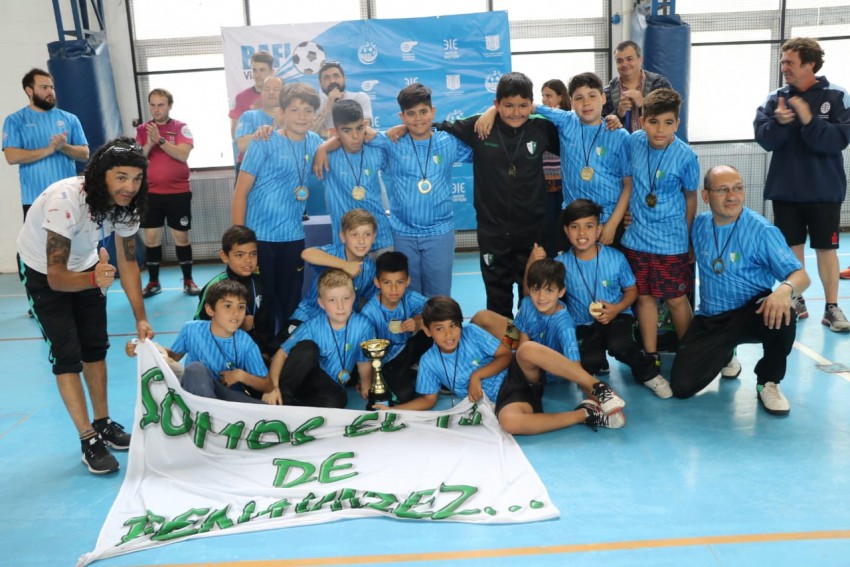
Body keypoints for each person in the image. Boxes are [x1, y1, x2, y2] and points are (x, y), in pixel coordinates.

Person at [15, 137, 153, 475]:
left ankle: (103, 422)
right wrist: (98, 279)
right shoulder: (66, 202)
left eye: (136, 179)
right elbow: (56, 278)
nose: (129, 187)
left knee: (95, 348)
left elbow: (129, 263)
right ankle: (87, 437)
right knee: (67, 354)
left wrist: (141, 318)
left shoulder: (125, 204)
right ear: (102, 175)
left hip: (89, 266)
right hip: (43, 271)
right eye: (121, 177)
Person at [670, 165, 810, 415]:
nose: (732, 196)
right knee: (682, 386)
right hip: (712, 317)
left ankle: (768, 381)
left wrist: (783, 290)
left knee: (784, 312)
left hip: (752, 312)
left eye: (737, 188)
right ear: (705, 196)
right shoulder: (700, 225)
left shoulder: (762, 231)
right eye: (722, 190)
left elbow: (801, 276)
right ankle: (726, 353)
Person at [317, 83, 472, 298]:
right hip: (402, 234)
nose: (418, 119)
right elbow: (358, 133)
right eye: (411, 114)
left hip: (439, 233)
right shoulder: (391, 142)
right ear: (402, 116)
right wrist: (323, 147)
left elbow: (483, 152)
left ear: (433, 112)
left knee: (439, 297)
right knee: (406, 296)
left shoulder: (448, 142)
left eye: (423, 112)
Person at [387, 296, 626, 433]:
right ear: (427, 331)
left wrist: (477, 376)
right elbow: (428, 400)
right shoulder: (429, 361)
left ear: (461, 324)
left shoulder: (472, 333)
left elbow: (505, 356)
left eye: (453, 325)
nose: (449, 334)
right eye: (440, 329)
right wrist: (392, 410)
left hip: (519, 374)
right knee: (509, 422)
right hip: (505, 399)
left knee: (526, 348)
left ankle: (598, 388)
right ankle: (585, 414)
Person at [436, 72, 559, 317]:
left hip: (532, 231)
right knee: (497, 298)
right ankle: (507, 349)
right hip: (492, 233)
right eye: (508, 106)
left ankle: (528, 350)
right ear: (496, 104)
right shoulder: (479, 126)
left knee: (534, 296)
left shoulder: (542, 128)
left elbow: (576, 129)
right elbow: (435, 128)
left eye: (523, 106)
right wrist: (398, 129)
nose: (516, 112)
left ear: (531, 104)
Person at [753, 37, 850, 332]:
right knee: (791, 249)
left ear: (809, 64)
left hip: (824, 190)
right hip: (786, 190)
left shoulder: (838, 96)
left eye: (789, 62)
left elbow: (839, 140)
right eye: (783, 62)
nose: (784, 68)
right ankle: (797, 299)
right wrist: (779, 123)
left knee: (826, 249)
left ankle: (832, 308)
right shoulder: (775, 98)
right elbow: (764, 138)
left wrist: (809, 121)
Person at [543, 199, 672, 398]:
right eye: (575, 227)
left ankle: (649, 374)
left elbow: (632, 291)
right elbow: (540, 295)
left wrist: (617, 308)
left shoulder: (616, 258)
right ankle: (596, 367)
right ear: (566, 231)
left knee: (620, 344)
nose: (582, 233)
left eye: (589, 226)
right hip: (584, 324)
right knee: (588, 362)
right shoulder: (560, 265)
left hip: (617, 316)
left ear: (598, 230)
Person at [232, 83, 323, 334]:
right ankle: (260, 355)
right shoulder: (264, 141)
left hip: (294, 238)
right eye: (294, 110)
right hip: (260, 238)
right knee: (262, 301)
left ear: (315, 114)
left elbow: (335, 144)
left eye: (307, 110)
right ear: (281, 112)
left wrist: (326, 147)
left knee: (290, 301)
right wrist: (239, 240)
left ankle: (285, 353)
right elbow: (240, 192)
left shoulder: (315, 141)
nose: (301, 116)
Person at [621, 88, 699, 369]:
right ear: (643, 121)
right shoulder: (633, 142)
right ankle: (650, 355)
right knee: (644, 297)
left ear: (677, 124)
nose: (660, 129)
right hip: (637, 239)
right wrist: (627, 212)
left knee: (676, 298)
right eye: (654, 122)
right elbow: (628, 183)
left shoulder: (686, 156)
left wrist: (688, 238)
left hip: (671, 241)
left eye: (668, 123)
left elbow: (691, 198)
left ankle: (692, 354)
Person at [534, 72, 632, 248]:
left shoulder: (620, 135)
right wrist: (492, 111)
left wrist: (612, 225)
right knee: (570, 272)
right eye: (579, 98)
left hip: (608, 221)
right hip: (573, 221)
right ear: (571, 102)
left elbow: (628, 184)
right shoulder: (566, 121)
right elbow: (528, 107)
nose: (586, 103)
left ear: (603, 98)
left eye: (592, 96)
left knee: (609, 272)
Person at [266, 269, 375, 408]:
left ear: (353, 297)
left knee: (338, 400)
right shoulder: (311, 326)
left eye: (345, 298)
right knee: (307, 349)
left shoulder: (364, 326)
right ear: (322, 303)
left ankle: (294, 406)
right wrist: (272, 388)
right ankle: (281, 400)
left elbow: (363, 360)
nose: (340, 306)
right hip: (304, 377)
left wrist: (366, 385)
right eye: (332, 300)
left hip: (330, 384)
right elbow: (281, 354)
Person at [3, 67, 89, 220]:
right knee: (39, 244)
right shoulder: (14, 120)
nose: (50, 91)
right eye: (44, 87)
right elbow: (11, 156)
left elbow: (84, 154)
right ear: (29, 90)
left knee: (72, 244)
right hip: (35, 199)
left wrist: (64, 147)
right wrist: (49, 149)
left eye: (51, 87)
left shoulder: (70, 118)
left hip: (68, 197)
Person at [166, 279, 271, 404]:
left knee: (268, 413)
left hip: (227, 398)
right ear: (210, 309)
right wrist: (154, 349)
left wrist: (242, 376)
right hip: (197, 395)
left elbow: (267, 385)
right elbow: (172, 356)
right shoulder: (191, 330)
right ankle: (207, 415)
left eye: (241, 307)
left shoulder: (245, 342)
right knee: (195, 369)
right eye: (228, 306)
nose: (236, 313)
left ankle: (214, 416)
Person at [136, 88, 197, 297]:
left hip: (178, 193)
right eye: (152, 104)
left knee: (181, 236)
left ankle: (188, 280)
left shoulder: (180, 127)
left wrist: (161, 141)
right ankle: (153, 282)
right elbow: (138, 161)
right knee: (151, 238)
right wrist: (149, 143)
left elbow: (182, 155)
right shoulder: (144, 130)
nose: (156, 109)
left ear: (169, 105)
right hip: (150, 194)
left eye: (160, 104)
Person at [194, 225, 276, 361]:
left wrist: (264, 352)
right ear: (225, 256)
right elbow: (200, 325)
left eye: (253, 254)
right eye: (239, 255)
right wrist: (235, 325)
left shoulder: (260, 284)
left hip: (251, 353)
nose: (248, 260)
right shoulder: (215, 286)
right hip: (218, 354)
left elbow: (265, 325)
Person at [359, 251, 432, 404]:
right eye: (387, 283)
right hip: (387, 361)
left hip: (407, 349)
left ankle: (428, 367)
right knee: (406, 395)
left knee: (432, 329)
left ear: (407, 281)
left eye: (399, 282)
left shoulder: (410, 298)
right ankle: (400, 374)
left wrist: (418, 322)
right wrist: (367, 380)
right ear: (377, 283)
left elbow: (434, 308)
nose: (393, 289)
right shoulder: (369, 313)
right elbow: (365, 353)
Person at [323, 99, 393, 255]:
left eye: (359, 128)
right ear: (336, 132)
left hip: (381, 239)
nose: (355, 136)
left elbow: (397, 145)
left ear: (366, 125)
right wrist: (323, 147)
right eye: (347, 130)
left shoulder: (376, 150)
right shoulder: (326, 156)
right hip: (346, 245)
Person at [290, 208, 378, 326]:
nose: (361, 241)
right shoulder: (334, 252)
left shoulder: (370, 267)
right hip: (309, 316)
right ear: (342, 236)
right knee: (291, 341)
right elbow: (307, 253)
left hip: (341, 325)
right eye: (354, 234)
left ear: (374, 237)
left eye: (367, 234)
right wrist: (344, 265)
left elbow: (373, 298)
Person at [602, 40, 673, 133]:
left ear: (640, 59)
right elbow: (601, 126)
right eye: (619, 61)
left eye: (629, 59)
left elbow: (671, 116)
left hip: (652, 145)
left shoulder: (660, 84)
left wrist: (644, 104)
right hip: (621, 146)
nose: (624, 64)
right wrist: (618, 113)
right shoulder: (607, 92)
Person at [540, 79, 571, 256]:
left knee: (566, 226)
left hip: (567, 186)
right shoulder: (540, 120)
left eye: (549, 95)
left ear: (561, 96)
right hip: (547, 186)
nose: (544, 99)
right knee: (549, 227)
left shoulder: (569, 120)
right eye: (543, 95)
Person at [229, 50, 274, 169]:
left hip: (275, 161)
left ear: (272, 72)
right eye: (254, 70)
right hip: (247, 162)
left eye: (262, 70)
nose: (257, 75)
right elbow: (235, 134)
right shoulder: (241, 97)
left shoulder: (283, 96)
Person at [233, 75, 285, 168]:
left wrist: (283, 125)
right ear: (262, 93)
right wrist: (264, 132)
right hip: (254, 171)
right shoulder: (248, 116)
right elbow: (241, 145)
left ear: (283, 93)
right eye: (267, 89)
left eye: (276, 89)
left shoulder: (291, 118)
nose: (271, 92)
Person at [312, 61, 373, 138]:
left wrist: (327, 133)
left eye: (336, 76)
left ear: (344, 79)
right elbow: (310, 133)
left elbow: (365, 130)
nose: (332, 81)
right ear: (320, 83)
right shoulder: (315, 104)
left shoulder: (359, 97)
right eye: (326, 78)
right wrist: (329, 104)